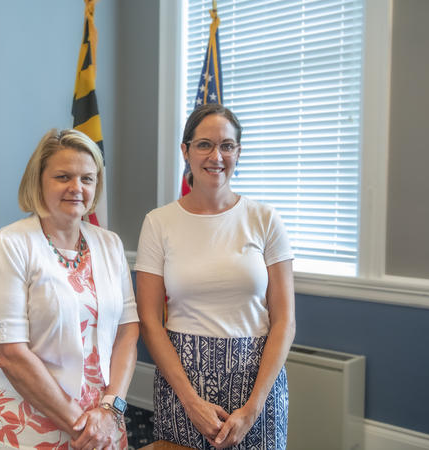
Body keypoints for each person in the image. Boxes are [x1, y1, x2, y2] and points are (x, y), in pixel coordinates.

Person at [135, 104, 295, 449]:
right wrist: (192, 403)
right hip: (182, 384)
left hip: (256, 384)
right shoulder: (158, 223)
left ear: (238, 152)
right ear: (186, 151)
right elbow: (149, 321)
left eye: (227, 145)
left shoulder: (265, 219)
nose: (216, 156)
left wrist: (253, 408)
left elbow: (284, 321)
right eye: (205, 144)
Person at [0, 129, 139, 450]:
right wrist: (82, 425)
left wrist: (109, 410)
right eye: (63, 176)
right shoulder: (7, 245)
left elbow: (127, 331)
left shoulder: (110, 244)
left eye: (87, 179)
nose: (77, 188)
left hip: (104, 422)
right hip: (29, 424)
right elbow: (10, 354)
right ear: (39, 181)